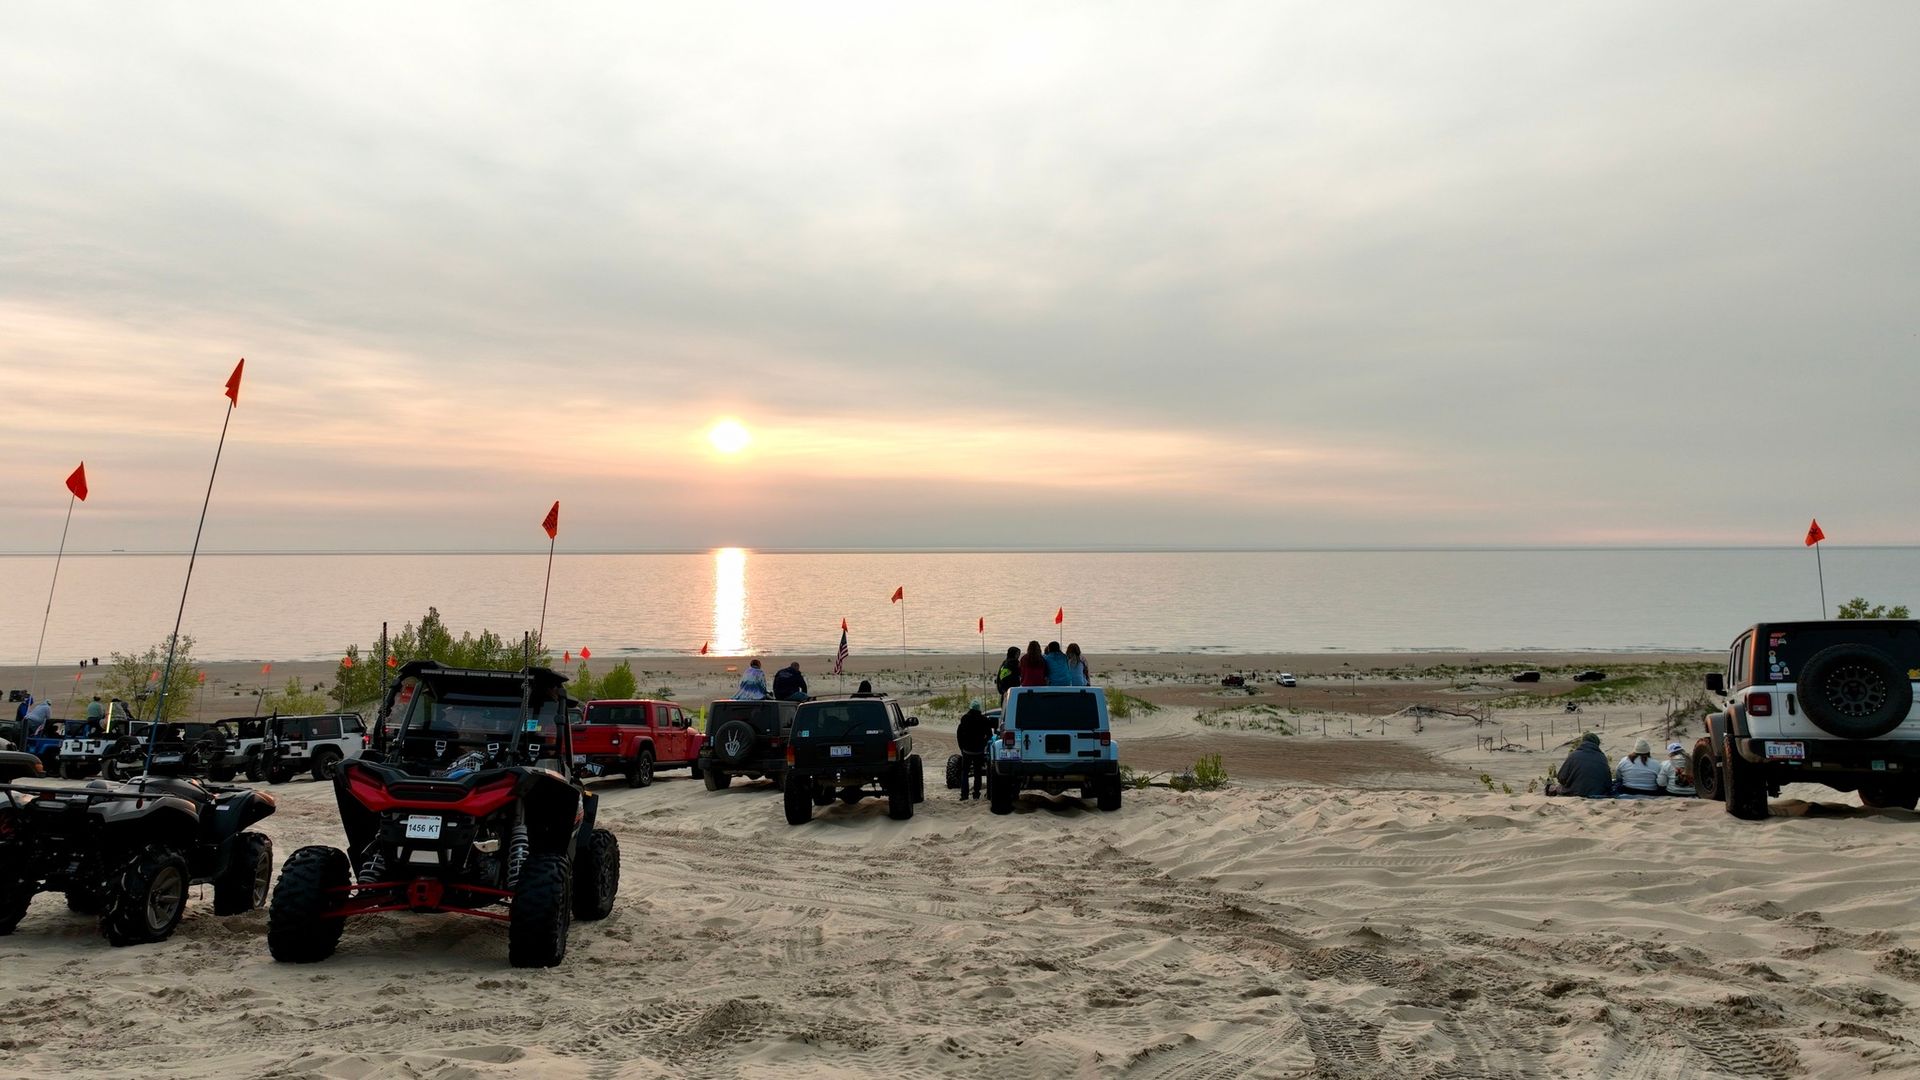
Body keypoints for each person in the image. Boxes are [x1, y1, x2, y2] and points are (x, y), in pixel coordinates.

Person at [955, 699, 994, 801]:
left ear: (970, 707)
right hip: (979, 751)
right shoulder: (983, 719)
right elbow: (990, 735)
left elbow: (959, 734)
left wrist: (962, 748)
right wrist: (984, 744)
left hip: (967, 751)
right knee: (977, 772)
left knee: (965, 772)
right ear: (979, 708)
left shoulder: (964, 719)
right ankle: (976, 794)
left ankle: (964, 795)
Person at [1554, 732, 1612, 798]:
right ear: (1597, 743)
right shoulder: (1602, 757)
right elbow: (1608, 783)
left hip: (1574, 792)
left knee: (1556, 788)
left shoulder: (1573, 755)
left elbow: (1561, 777)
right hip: (1599, 793)